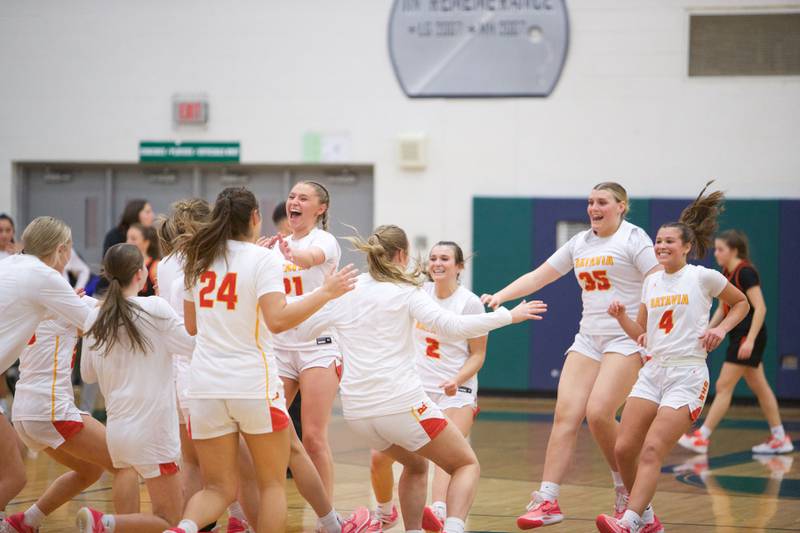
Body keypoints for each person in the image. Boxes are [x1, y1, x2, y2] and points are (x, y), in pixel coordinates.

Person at [293, 224, 547, 533]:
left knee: (415, 465)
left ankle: (402, 522)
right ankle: (452, 527)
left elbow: (302, 331)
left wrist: (324, 296)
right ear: (402, 254)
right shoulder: (407, 291)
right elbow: (452, 326)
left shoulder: (346, 289)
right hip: (400, 404)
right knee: (465, 464)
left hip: (358, 413)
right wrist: (509, 316)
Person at [167, 186, 366, 533]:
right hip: (251, 382)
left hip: (204, 387)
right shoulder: (263, 258)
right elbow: (277, 320)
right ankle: (329, 521)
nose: (295, 202)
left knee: (216, 488)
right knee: (273, 483)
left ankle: (182, 528)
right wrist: (325, 292)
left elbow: (192, 325)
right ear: (255, 217)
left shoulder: (197, 258)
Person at [481, 183, 660, 529]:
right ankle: (547, 499)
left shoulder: (635, 238)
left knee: (599, 413)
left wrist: (649, 330)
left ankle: (627, 492)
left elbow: (658, 284)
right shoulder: (581, 242)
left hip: (626, 338)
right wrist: (500, 296)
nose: (594, 207)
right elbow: (539, 276)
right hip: (589, 338)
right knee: (565, 414)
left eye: (602, 202)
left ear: (621, 206)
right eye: (590, 202)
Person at [595, 183, 749, 533]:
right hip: (653, 371)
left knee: (652, 449)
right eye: (658, 241)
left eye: (669, 241)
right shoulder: (651, 283)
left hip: (687, 374)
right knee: (624, 448)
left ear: (687, 247)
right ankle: (647, 518)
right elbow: (642, 334)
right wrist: (621, 317)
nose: (661, 246)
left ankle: (630, 521)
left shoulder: (702, 277)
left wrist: (721, 329)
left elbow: (741, 303)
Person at [73, 243, 198, 533]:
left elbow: (87, 375)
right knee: (169, 520)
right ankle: (104, 523)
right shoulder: (155, 308)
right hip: (153, 433)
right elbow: (192, 346)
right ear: (140, 273)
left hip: (117, 433)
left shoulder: (95, 317)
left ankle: (107, 524)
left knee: (134, 485)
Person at [369, 241, 487, 532]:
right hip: (415, 389)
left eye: (445, 258)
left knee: (447, 455)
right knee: (378, 457)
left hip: (455, 390)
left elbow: (478, 354)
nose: (437, 263)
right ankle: (385, 511)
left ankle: (439, 510)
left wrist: (457, 379)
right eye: (433, 258)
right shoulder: (418, 292)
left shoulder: (469, 302)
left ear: (459, 266)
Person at [156, 199, 259, 532]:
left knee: (192, 463)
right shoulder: (207, 259)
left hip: (180, 374)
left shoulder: (166, 263)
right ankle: (250, 522)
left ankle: (204, 523)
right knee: (245, 466)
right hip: (208, 367)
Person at [0, 217, 106, 531]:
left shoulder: (11, 267)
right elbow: (93, 322)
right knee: (125, 462)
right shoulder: (45, 278)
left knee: (19, 475)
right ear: (61, 250)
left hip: (25, 408)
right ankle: (119, 524)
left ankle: (25, 521)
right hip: (46, 405)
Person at [677, 229, 793, 455]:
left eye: (720, 249)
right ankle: (780, 437)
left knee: (723, 386)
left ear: (734, 251)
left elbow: (760, 308)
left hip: (747, 336)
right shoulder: (727, 273)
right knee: (761, 387)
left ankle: (702, 437)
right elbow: (723, 308)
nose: (716, 253)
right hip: (738, 335)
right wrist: (707, 330)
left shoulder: (746, 272)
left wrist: (750, 341)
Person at [267, 181, 341, 500]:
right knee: (267, 428)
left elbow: (309, 258)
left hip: (317, 346)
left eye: (303, 198)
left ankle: (327, 515)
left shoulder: (324, 240)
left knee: (312, 437)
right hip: (280, 346)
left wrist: (291, 253)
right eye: (291, 196)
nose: (294, 201)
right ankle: (261, 502)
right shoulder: (275, 246)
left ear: (320, 208)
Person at [127, 223, 160, 296]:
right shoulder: (125, 263)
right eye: (127, 238)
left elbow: (160, 294)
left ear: (146, 242)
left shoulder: (155, 266)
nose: (128, 242)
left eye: (133, 239)